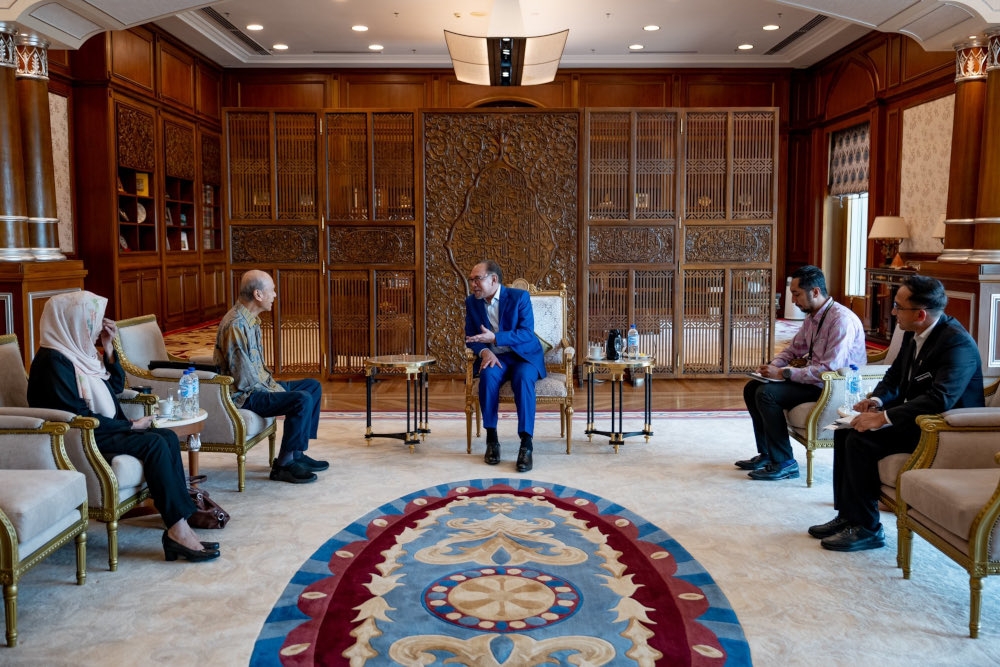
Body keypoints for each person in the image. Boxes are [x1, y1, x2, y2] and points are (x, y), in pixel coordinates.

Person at [27, 291, 219, 563]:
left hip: (99, 430)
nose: (96, 328)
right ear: (71, 322)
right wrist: (130, 425)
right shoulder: (52, 362)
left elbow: (115, 386)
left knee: (166, 436)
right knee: (154, 443)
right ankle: (178, 531)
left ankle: (181, 523)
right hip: (82, 438)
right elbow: (76, 417)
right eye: (91, 321)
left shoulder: (77, 354)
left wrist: (108, 349)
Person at [810, 275, 984, 551]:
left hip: (944, 429)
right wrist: (876, 400)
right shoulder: (912, 332)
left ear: (920, 314)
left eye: (898, 307)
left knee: (860, 440)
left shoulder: (956, 344)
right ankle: (848, 516)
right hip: (916, 419)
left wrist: (883, 418)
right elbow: (895, 374)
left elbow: (940, 399)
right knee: (845, 430)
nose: (893, 312)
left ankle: (867, 529)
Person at [738, 265, 867, 480]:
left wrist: (784, 373)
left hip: (832, 387)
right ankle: (768, 454)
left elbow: (829, 370)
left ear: (815, 292)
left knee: (766, 394)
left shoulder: (841, 321)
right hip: (814, 381)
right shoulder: (813, 317)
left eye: (796, 294)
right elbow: (794, 349)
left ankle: (785, 462)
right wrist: (772, 366)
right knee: (753, 387)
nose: (794, 300)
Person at [214, 270, 325, 484]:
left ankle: (296, 454)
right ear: (258, 294)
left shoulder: (250, 320)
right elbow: (245, 380)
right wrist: (277, 390)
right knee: (301, 399)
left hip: (259, 387)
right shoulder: (236, 324)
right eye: (272, 290)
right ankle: (283, 465)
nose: (275, 295)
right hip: (244, 396)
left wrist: (275, 387)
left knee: (312, 387)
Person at [465, 260, 546, 473]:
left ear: (493, 279)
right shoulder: (472, 302)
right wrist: (485, 351)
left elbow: (526, 333)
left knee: (523, 378)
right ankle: (492, 439)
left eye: (477, 279)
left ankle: (526, 444)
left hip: (523, 356)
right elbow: (470, 337)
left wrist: (495, 338)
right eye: (471, 280)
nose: (473, 284)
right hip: (496, 357)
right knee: (487, 376)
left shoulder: (519, 297)